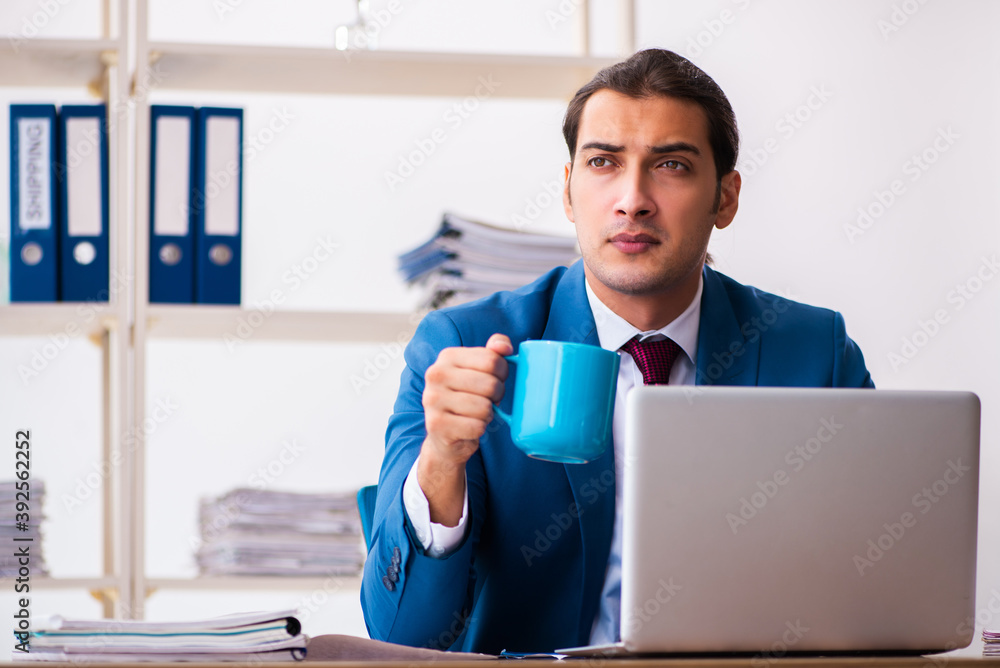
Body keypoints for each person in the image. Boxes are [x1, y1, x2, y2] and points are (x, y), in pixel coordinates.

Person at [360, 48, 873, 655]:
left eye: (672, 166)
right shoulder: (462, 346)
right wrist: (442, 461)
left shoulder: (817, 355)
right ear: (571, 194)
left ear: (725, 199)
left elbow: (866, 588)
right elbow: (401, 635)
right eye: (603, 162)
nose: (633, 200)